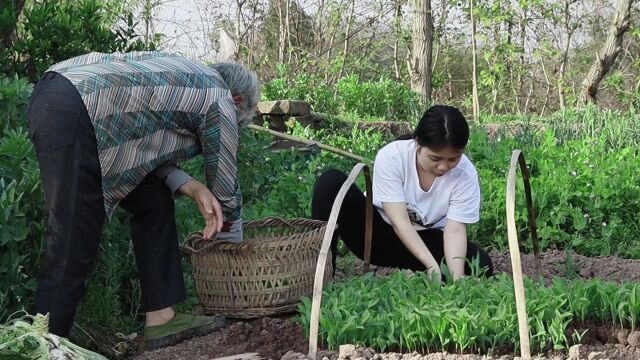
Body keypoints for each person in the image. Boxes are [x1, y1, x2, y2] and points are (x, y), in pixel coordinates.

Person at [26, 51, 259, 349]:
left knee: (153, 200)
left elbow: (142, 144)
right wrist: (235, 265)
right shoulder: (220, 99)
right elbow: (225, 190)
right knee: (72, 239)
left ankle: (161, 316)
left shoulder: (188, 77)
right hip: (76, 107)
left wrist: (190, 185)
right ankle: (41, 347)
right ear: (237, 101)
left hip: (60, 92)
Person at [311, 105, 493, 281]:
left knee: (480, 265)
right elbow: (400, 222)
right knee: (331, 182)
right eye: (435, 158)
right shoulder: (392, 157)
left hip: (424, 239)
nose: (444, 166)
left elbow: (454, 231)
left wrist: (457, 276)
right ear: (418, 143)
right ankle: (322, 273)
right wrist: (432, 265)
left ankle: (417, 273)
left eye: (453, 159)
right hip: (378, 235)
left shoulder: (465, 173)